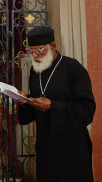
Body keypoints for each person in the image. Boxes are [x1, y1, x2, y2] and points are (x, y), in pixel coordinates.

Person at [16, 25, 96, 182]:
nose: (35, 55)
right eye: (31, 51)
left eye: (39, 50)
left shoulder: (73, 69)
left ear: (52, 46)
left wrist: (53, 106)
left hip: (72, 147)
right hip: (46, 145)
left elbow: (87, 110)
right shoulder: (35, 69)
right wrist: (26, 101)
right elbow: (37, 102)